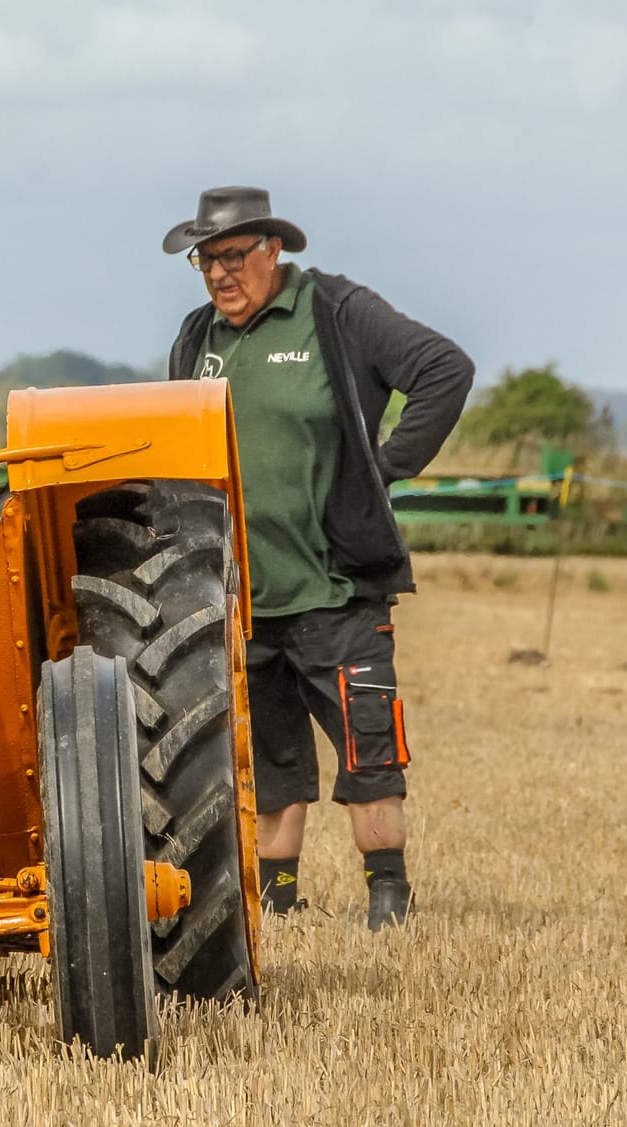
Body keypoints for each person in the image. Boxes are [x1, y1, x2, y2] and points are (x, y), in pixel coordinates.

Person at [165, 186, 473, 931]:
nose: (219, 274)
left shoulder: (336, 311)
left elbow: (445, 369)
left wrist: (381, 467)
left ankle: (388, 900)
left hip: (336, 590)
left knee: (369, 752)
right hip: (241, 596)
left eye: (232, 256)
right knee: (269, 763)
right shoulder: (198, 337)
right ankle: (279, 904)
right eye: (206, 261)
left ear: (273, 249)